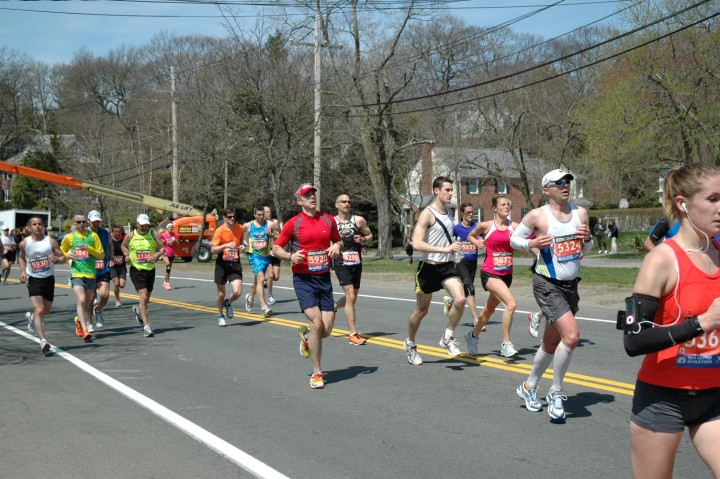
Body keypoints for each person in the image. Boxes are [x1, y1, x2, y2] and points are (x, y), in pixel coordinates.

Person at [622, 164, 720, 478]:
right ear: (683, 204)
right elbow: (633, 339)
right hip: (663, 398)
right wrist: (702, 322)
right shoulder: (661, 260)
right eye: (713, 199)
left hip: (714, 396)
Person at [510, 169, 592, 421]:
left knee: (549, 343)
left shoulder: (580, 213)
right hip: (547, 284)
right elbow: (514, 239)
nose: (565, 186)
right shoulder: (538, 216)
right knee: (572, 336)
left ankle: (528, 387)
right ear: (547, 190)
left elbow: (585, 248)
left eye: (568, 181)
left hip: (570, 285)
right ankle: (556, 393)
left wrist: (588, 240)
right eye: (559, 183)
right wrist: (531, 244)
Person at [272, 183, 342, 389]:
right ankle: (317, 372)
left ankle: (306, 337)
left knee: (326, 331)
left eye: (313, 194)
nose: (312, 197)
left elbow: (338, 241)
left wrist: (336, 246)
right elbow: (276, 248)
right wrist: (290, 255)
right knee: (317, 323)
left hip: (324, 279)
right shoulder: (293, 224)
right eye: (307, 195)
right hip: (304, 280)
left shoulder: (328, 220)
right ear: (299, 201)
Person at [404, 176, 466, 365]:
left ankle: (447, 337)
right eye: (447, 190)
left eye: (451, 190)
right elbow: (418, 244)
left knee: (461, 299)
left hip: (447, 266)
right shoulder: (427, 214)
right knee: (421, 311)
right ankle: (411, 343)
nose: (450, 193)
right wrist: (444, 249)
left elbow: (443, 237)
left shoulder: (448, 212)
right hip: (428, 267)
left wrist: (453, 246)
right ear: (436, 191)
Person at [465, 195, 521, 358]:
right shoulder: (487, 226)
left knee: (489, 310)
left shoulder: (514, 227)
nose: (506, 207)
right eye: (503, 204)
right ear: (494, 208)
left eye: (508, 204)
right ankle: (505, 343)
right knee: (511, 304)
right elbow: (471, 235)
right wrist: (476, 243)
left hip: (506, 275)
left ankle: (472, 336)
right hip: (490, 273)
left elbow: (529, 238)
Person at [18, 216, 66, 354]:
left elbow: (63, 257)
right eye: (34, 224)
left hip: (48, 278)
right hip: (33, 278)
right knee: (39, 309)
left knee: (46, 310)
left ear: (43, 226)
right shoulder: (24, 244)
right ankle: (43, 341)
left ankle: (32, 318)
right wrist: (22, 271)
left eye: (40, 224)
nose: (38, 226)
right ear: (30, 227)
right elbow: (21, 257)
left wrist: (56, 259)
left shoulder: (50, 242)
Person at [332, 193, 373, 345]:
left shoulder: (358, 220)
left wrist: (363, 239)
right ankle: (353, 334)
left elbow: (370, 236)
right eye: (343, 201)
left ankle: (333, 306)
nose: (346, 204)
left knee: (353, 297)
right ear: (337, 204)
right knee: (350, 296)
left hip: (356, 261)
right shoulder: (332, 222)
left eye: (348, 201)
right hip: (340, 261)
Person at [60, 214, 104, 342]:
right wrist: (68, 255)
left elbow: (101, 255)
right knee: (82, 299)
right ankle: (85, 331)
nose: (81, 224)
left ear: (87, 222)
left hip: (90, 273)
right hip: (76, 272)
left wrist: (89, 249)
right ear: (75, 223)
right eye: (78, 222)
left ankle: (79, 320)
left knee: (88, 301)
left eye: (83, 222)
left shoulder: (93, 236)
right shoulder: (70, 237)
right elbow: (60, 250)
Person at [121, 214, 164, 337]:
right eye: (142, 225)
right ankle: (146, 327)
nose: (144, 227)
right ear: (137, 224)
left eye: (146, 225)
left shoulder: (153, 234)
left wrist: (156, 255)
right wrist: (127, 254)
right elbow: (123, 245)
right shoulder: (130, 235)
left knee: (146, 300)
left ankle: (139, 309)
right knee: (143, 295)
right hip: (137, 269)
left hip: (150, 269)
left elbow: (162, 248)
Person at [210, 208, 245, 327]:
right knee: (221, 293)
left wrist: (242, 247)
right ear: (224, 218)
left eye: (234, 216)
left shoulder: (239, 228)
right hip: (222, 263)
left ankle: (228, 303)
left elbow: (242, 242)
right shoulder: (219, 231)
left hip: (235, 262)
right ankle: (220, 315)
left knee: (238, 292)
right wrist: (225, 245)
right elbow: (213, 249)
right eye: (229, 217)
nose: (232, 219)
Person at [451, 203, 481, 327]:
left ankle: (451, 301)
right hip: (461, 262)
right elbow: (447, 240)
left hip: (473, 262)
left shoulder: (477, 227)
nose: (471, 215)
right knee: (470, 288)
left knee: (465, 291)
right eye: (468, 212)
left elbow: (486, 239)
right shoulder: (456, 228)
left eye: (472, 212)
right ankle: (476, 319)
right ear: (462, 214)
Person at [243, 206, 273, 318]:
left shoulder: (269, 224)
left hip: (265, 256)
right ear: (254, 214)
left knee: (257, 281)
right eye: (258, 215)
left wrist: (272, 234)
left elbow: (280, 235)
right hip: (254, 256)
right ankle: (264, 307)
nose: (261, 217)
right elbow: (238, 233)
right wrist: (245, 241)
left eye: (262, 215)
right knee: (261, 278)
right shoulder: (248, 225)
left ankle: (250, 297)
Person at [88, 210, 111, 331]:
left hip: (103, 267)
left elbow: (110, 245)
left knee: (105, 295)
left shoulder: (105, 232)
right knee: (91, 297)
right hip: (88, 268)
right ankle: (89, 323)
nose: (96, 224)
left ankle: (98, 310)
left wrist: (111, 257)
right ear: (89, 221)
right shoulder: (84, 233)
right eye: (93, 222)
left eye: (98, 221)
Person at [263, 206, 280, 306]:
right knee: (270, 274)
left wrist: (272, 234)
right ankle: (270, 296)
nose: (269, 213)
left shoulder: (273, 223)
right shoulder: (258, 225)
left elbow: (280, 236)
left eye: (270, 211)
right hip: (265, 252)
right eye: (267, 212)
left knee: (276, 277)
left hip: (275, 251)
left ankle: (264, 280)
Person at [110, 225, 127, 307]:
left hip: (122, 267)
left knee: (122, 285)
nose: (117, 233)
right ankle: (117, 300)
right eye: (115, 232)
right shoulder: (110, 243)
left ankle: (117, 293)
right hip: (113, 267)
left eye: (119, 232)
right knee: (116, 283)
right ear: (112, 232)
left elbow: (127, 252)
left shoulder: (123, 243)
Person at [159, 222, 178, 290]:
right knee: (168, 266)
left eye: (171, 227)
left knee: (169, 269)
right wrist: (162, 242)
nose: (170, 228)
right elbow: (159, 243)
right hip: (165, 253)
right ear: (167, 228)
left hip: (172, 253)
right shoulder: (163, 235)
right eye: (169, 227)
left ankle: (166, 282)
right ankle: (167, 283)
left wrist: (175, 240)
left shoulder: (175, 235)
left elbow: (177, 243)